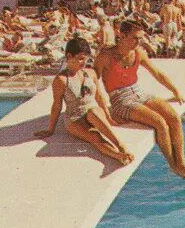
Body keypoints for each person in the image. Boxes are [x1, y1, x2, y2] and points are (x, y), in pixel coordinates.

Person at [94, 20, 185, 179]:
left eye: (140, 38)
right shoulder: (105, 56)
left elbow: (157, 73)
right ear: (122, 35)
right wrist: (103, 110)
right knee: (160, 123)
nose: (138, 42)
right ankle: (173, 166)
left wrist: (175, 91)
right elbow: (93, 83)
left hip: (139, 92)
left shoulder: (138, 53)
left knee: (174, 118)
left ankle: (182, 164)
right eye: (135, 38)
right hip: (120, 99)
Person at [35, 37, 134, 166]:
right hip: (75, 118)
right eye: (80, 58)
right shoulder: (61, 80)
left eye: (86, 58)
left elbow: (99, 97)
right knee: (94, 138)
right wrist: (50, 129)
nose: (84, 62)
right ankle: (118, 156)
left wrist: (108, 118)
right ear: (69, 56)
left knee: (93, 112)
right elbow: (57, 106)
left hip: (94, 112)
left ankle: (121, 146)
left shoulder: (90, 73)